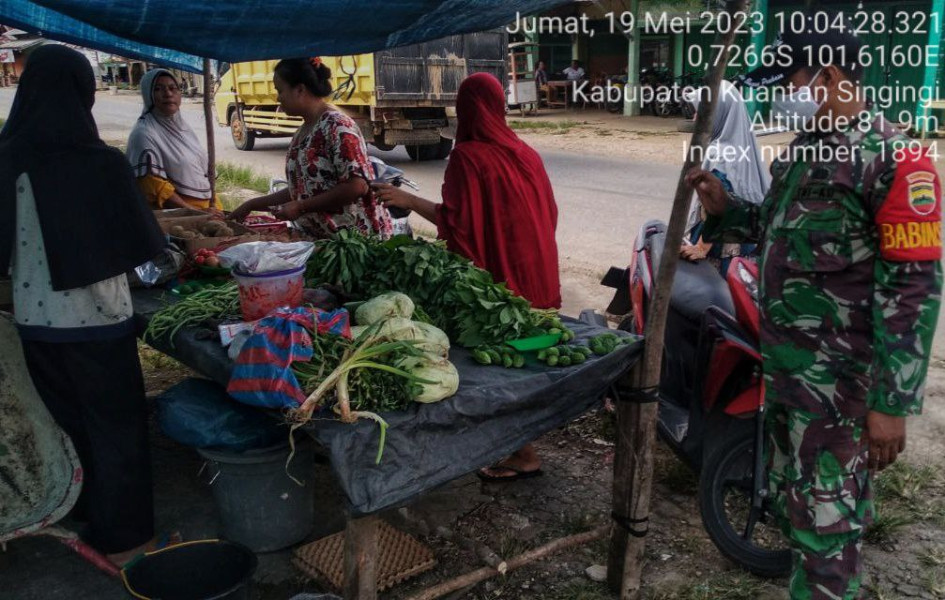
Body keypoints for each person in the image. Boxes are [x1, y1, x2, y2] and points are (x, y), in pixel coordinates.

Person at [688, 18, 941, 599]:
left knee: (828, 530)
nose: (781, 96)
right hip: (789, 377)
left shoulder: (895, 161)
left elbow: (914, 290)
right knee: (802, 510)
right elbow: (775, 229)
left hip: (841, 393)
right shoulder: (804, 153)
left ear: (826, 78)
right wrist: (726, 208)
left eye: (788, 82)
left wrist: (892, 403)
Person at [0, 45, 168, 566]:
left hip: (33, 322)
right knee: (116, 429)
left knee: (68, 423)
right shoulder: (99, 163)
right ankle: (126, 540)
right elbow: (144, 247)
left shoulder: (6, 158)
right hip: (97, 322)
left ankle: (86, 513)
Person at [372, 72, 561, 480]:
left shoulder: (469, 157)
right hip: (539, 274)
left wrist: (407, 200)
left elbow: (457, 224)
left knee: (500, 368)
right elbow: (550, 212)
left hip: (502, 285)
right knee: (527, 359)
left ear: (466, 109)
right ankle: (526, 442)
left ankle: (524, 454)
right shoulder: (526, 152)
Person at [229, 58, 392, 239]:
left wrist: (301, 207)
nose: (278, 98)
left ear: (300, 90)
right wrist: (251, 205)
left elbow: (357, 186)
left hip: (354, 242)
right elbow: (301, 189)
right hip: (322, 240)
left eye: (280, 90)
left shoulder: (338, 126)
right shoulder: (303, 131)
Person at [680, 79, 770, 275]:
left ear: (719, 112)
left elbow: (721, 206)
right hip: (745, 242)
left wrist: (702, 247)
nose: (695, 118)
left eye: (702, 112)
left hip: (720, 248)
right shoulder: (742, 145)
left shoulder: (720, 154)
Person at [127, 69, 220, 212]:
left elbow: (204, 174)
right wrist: (194, 212)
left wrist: (214, 209)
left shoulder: (184, 129)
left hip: (207, 210)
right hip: (180, 216)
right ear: (148, 95)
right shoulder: (143, 134)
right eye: (158, 89)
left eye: (172, 88)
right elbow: (152, 185)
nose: (168, 94)